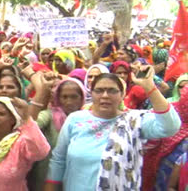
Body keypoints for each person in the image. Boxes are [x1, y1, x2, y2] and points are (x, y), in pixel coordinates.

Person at [44, 69, 181, 191]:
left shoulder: (134, 121)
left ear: (122, 95)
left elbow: (171, 126)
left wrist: (150, 88)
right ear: (91, 93)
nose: (105, 95)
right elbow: (59, 160)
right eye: (99, 90)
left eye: (112, 90)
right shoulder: (76, 119)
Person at [30, 78, 86, 190]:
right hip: (47, 179)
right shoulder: (49, 116)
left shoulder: (88, 120)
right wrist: (42, 92)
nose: (69, 102)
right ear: (58, 98)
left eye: (74, 97)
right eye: (64, 97)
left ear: (82, 98)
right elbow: (31, 125)